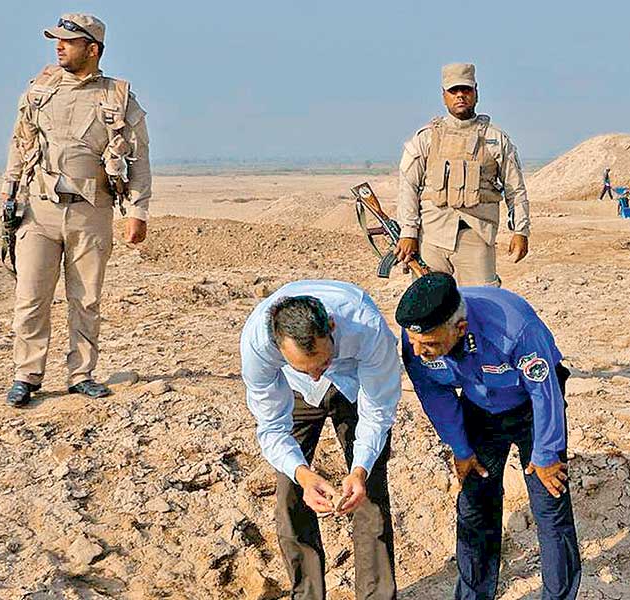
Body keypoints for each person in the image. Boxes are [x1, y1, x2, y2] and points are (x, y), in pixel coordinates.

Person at [397, 273, 581, 600]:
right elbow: (433, 393)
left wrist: (546, 453)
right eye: (415, 343)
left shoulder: (514, 329)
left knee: (549, 507)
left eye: (430, 345)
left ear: (460, 329)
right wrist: (461, 447)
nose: (419, 352)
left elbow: (545, 390)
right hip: (479, 406)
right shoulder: (417, 336)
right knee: (474, 505)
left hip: (531, 408)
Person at [1, 14, 151, 407]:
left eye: (68, 41)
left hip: (92, 211)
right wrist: (8, 197)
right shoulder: (38, 91)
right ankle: (26, 375)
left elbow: (140, 160)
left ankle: (81, 374)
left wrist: (138, 211)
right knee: (30, 297)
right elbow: (19, 146)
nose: (59, 46)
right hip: (38, 211)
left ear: (93, 49)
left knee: (85, 300)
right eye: (57, 40)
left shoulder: (118, 98)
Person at [241, 281, 401, 599]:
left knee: (368, 492)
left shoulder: (367, 327)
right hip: (293, 390)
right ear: (278, 346)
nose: (317, 375)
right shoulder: (258, 343)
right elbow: (272, 427)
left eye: (323, 363)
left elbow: (378, 412)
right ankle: (307, 595)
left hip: (355, 383)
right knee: (290, 493)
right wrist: (302, 473)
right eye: (307, 367)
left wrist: (359, 470)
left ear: (331, 327)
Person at [394, 63, 530, 287]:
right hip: (432, 238)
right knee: (429, 311)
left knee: (482, 303)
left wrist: (521, 231)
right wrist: (408, 232)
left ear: (476, 92)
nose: (460, 96)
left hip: (477, 237)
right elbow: (408, 186)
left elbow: (515, 190)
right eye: (453, 91)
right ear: (443, 95)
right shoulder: (427, 138)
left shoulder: (496, 140)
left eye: (466, 90)